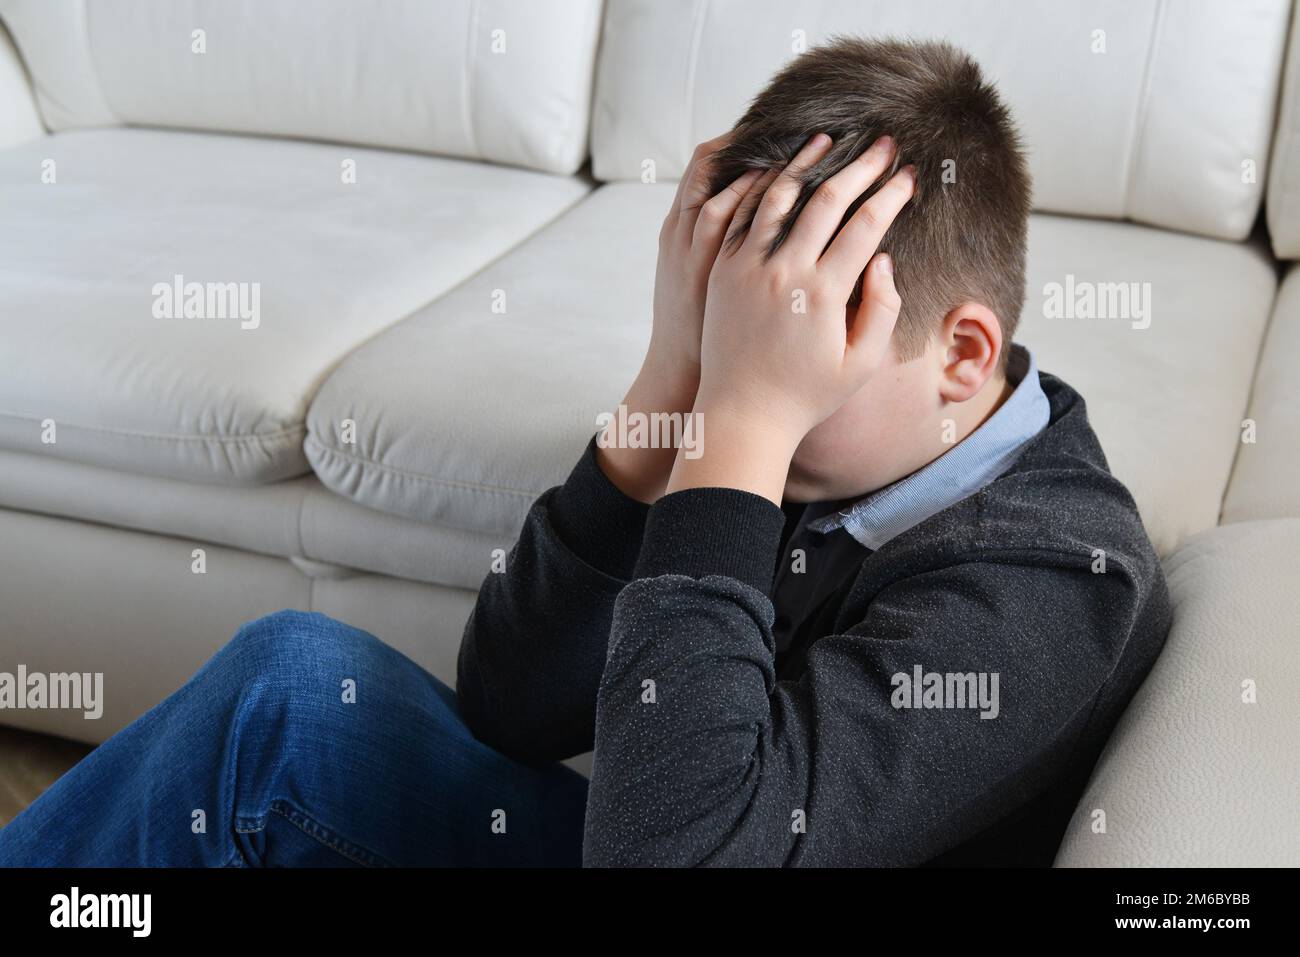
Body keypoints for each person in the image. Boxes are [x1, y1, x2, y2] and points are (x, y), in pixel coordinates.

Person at [0, 39, 1170, 868]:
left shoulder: (1046, 583)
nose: (741, 381)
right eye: (724, 333)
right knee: (290, 690)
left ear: (962, 355)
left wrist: (739, 440)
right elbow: (510, 708)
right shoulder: (850, 448)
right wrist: (667, 394)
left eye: (792, 348)